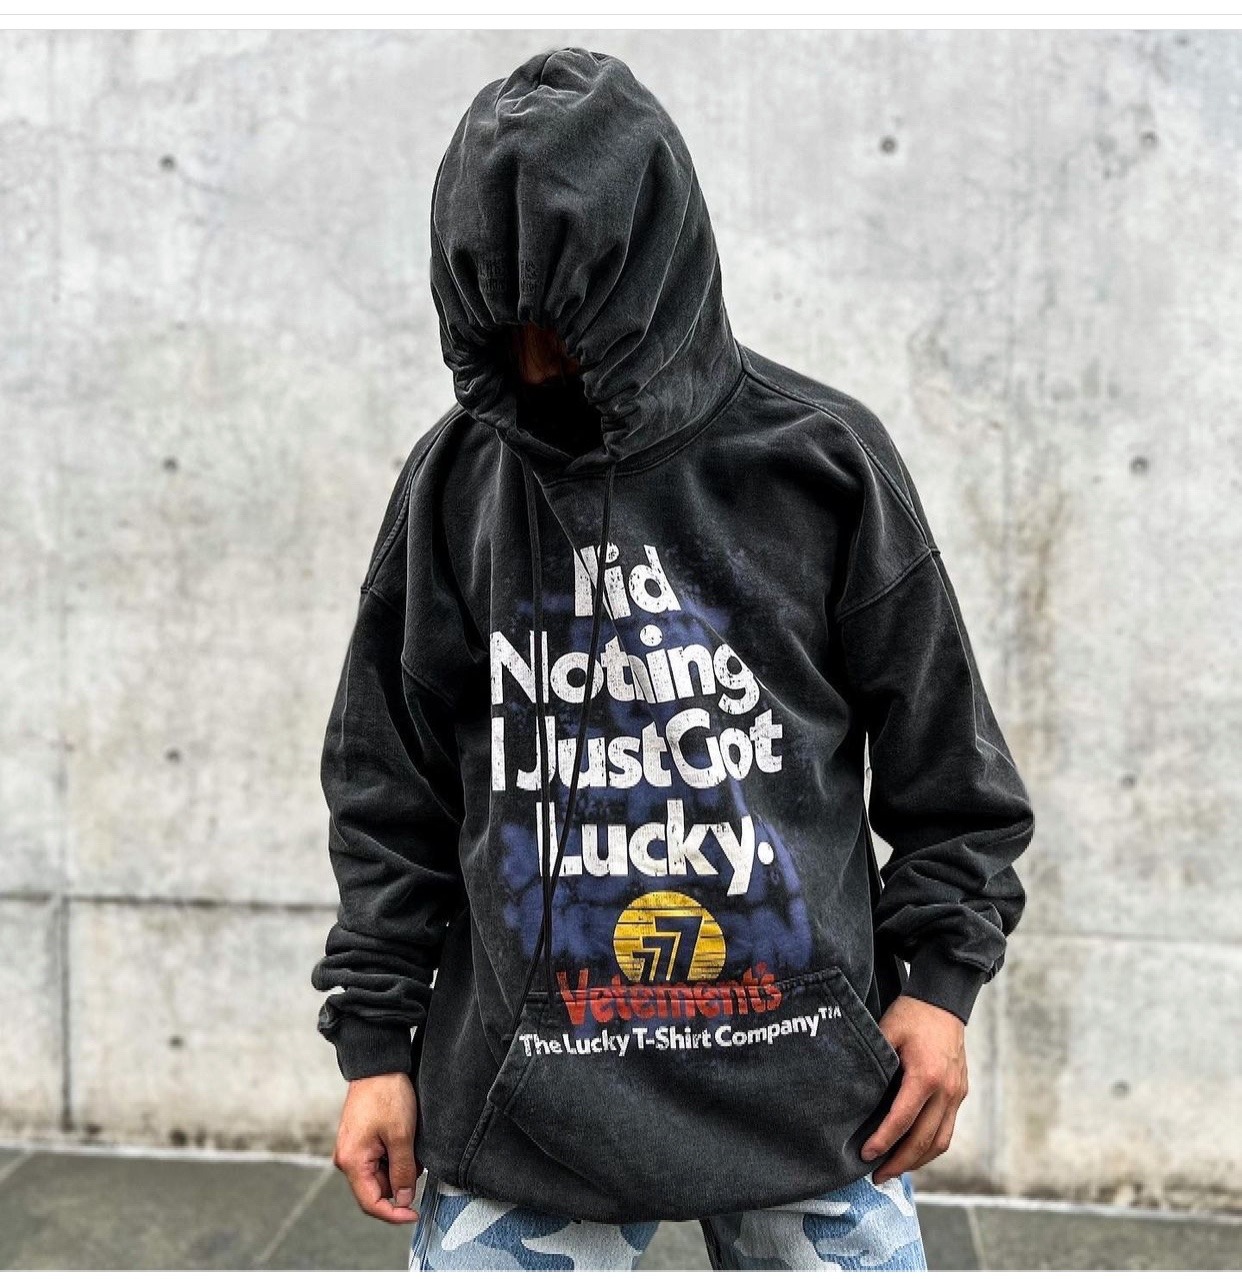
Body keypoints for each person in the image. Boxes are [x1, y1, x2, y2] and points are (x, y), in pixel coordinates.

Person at [311, 46, 1033, 1271]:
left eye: (574, 312)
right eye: (507, 321)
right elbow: (390, 786)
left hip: (811, 1097)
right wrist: (375, 1046)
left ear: (655, 265)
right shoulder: (457, 485)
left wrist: (940, 987)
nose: (539, 364)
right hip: (529, 1113)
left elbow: (952, 776)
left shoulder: (820, 462)